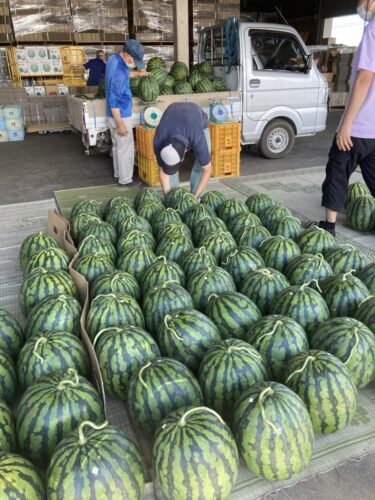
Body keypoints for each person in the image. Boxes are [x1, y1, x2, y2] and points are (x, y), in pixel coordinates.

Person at [317, 0, 375, 236]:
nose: (359, 4)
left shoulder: (373, 30)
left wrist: (346, 124)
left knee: (337, 172)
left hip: (359, 126)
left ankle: (329, 227)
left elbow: (365, 78)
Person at [105, 40, 148, 187]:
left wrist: (137, 73)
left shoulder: (113, 59)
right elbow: (113, 99)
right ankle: (126, 180)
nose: (133, 63)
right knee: (126, 148)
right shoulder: (120, 71)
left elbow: (123, 75)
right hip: (120, 114)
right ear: (127, 54)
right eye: (133, 60)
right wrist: (120, 124)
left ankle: (118, 174)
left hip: (111, 114)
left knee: (117, 146)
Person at [153, 102, 212, 198]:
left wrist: (195, 198)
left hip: (196, 118)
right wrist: (168, 199)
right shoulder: (158, 141)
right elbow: (163, 172)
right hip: (172, 113)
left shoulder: (197, 137)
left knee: (200, 166)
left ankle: (197, 195)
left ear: (184, 155)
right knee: (169, 171)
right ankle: (174, 197)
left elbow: (207, 170)